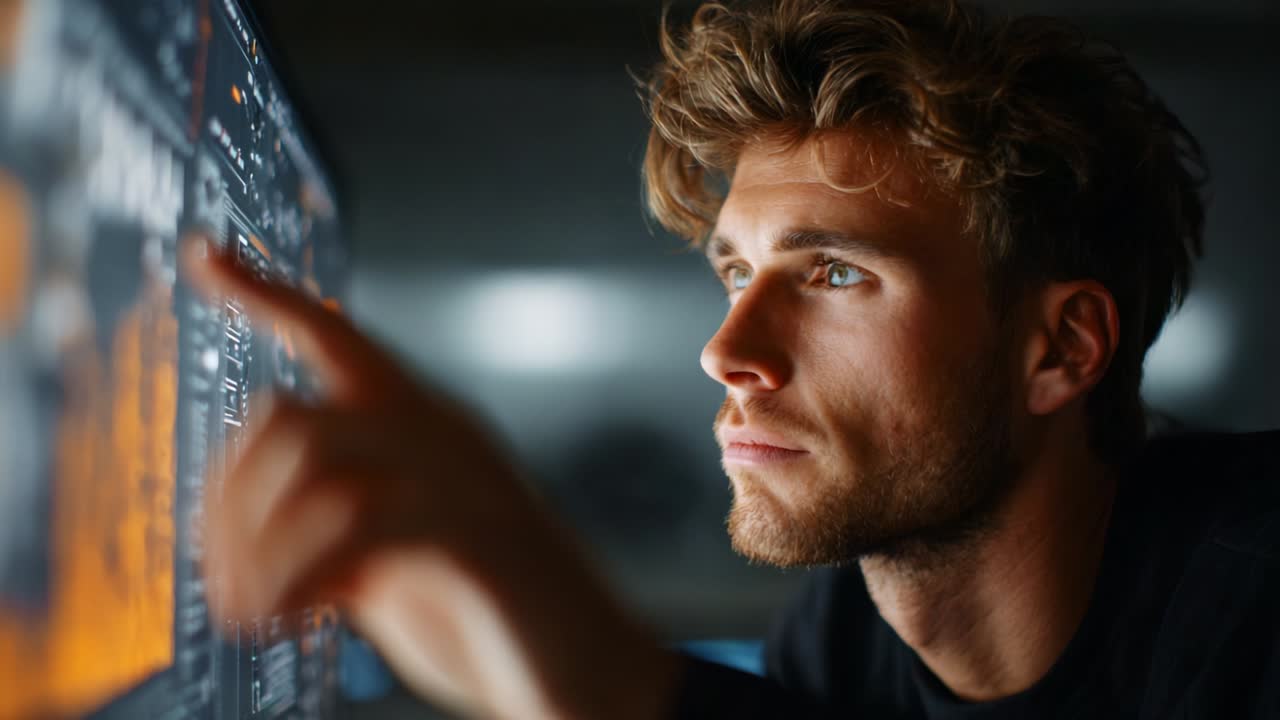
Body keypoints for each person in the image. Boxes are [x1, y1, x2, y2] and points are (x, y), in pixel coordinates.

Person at [183, 0, 1280, 718]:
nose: (725, 351)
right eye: (732, 272)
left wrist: (587, 660)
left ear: (1058, 348)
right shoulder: (842, 634)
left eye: (835, 274)